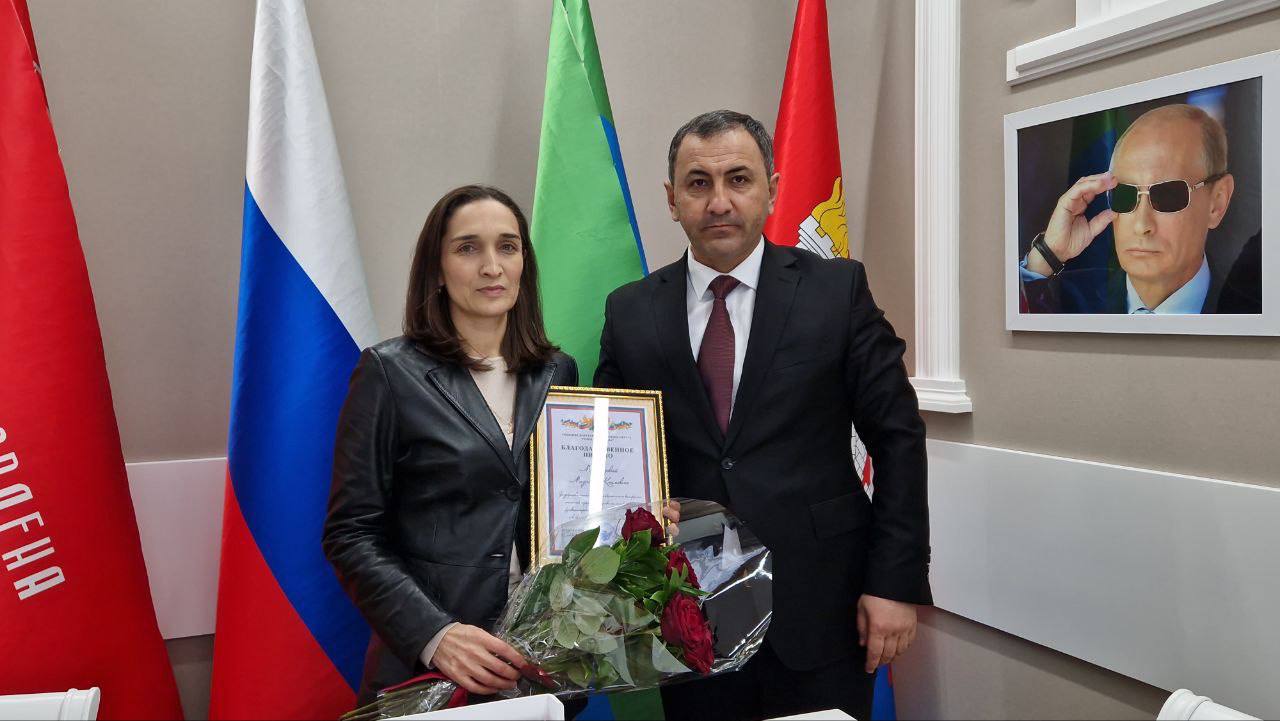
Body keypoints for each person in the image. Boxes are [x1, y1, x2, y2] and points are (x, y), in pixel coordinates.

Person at [595, 110, 931, 721]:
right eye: (698, 183)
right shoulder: (630, 312)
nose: (719, 202)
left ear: (771, 188)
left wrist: (893, 583)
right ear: (671, 200)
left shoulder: (837, 290)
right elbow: (613, 459)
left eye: (739, 179)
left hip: (823, 607)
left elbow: (898, 437)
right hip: (691, 618)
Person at [322, 185, 580, 706]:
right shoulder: (389, 373)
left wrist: (637, 516)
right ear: (437, 270)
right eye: (468, 248)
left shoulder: (558, 372)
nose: (492, 267)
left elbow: (572, 505)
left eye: (507, 247)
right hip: (434, 673)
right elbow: (350, 533)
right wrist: (436, 635)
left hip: (541, 665)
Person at [1020, 103, 1259, 314]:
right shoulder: (1066, 301)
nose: (1142, 225)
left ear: (1217, 203)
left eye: (1167, 195)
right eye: (1125, 194)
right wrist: (1048, 254)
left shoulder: (1256, 316)